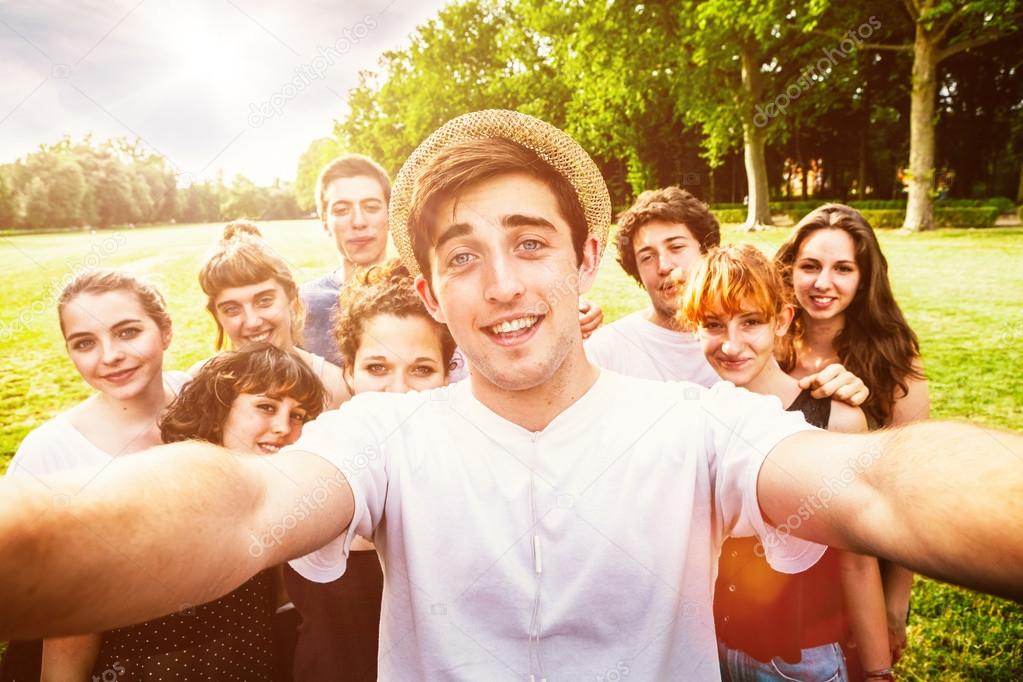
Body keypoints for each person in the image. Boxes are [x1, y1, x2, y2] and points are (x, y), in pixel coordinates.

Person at [1, 111, 1022, 681]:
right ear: (431, 289)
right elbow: (240, 508)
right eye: (463, 256)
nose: (500, 285)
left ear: (585, 259)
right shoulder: (385, 434)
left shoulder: (697, 425)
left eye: (530, 244)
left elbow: (879, 481)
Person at [679, 244, 892, 682]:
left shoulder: (834, 415)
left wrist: (877, 672)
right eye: (713, 325)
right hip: (708, 654)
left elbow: (857, 560)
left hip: (799, 662)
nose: (731, 344)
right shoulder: (696, 418)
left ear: (782, 321)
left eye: (751, 322)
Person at [83, 343, 326, 681]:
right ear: (221, 409)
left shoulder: (279, 497)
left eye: (297, 415)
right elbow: (85, 603)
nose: (284, 427)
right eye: (266, 407)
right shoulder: (166, 489)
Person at [2, 269, 187, 681]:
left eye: (127, 332)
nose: (109, 356)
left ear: (165, 331)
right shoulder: (50, 452)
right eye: (85, 343)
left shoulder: (207, 399)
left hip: (219, 644)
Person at [285, 258, 457, 682]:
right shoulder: (314, 460)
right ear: (349, 372)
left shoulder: (467, 481)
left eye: (421, 369)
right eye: (378, 368)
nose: (397, 391)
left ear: (447, 377)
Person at [775, 205, 930, 667]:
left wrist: (894, 604)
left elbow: (909, 494)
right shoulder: (766, 347)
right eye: (810, 266)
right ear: (789, 270)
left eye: (842, 268)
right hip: (784, 575)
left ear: (864, 278)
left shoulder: (895, 359)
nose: (823, 283)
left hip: (859, 565)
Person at [303, 154, 603, 371]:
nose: (359, 222)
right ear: (324, 221)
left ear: (390, 216)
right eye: (341, 210)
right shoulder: (304, 306)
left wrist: (562, 307)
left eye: (371, 207)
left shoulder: (444, 289)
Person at [586, 186, 868, 402]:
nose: (664, 266)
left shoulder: (765, 342)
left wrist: (843, 382)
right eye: (647, 257)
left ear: (706, 250)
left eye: (677, 247)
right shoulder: (608, 349)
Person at [197, 220, 349, 408]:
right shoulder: (203, 385)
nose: (252, 322)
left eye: (264, 301)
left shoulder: (334, 388)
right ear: (216, 315)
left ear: (292, 296)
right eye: (232, 309)